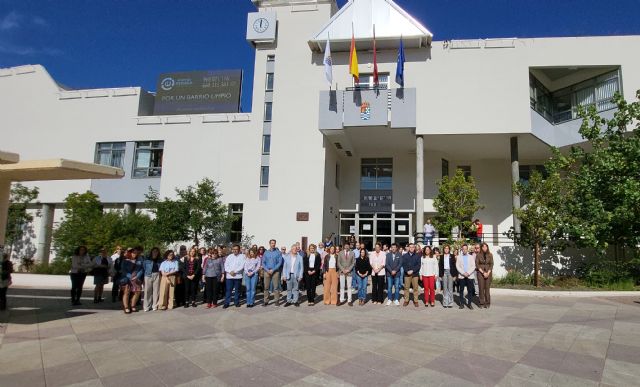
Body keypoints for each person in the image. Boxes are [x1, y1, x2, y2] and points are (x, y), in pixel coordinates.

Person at [120, 248, 144, 313]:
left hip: (136, 279)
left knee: (137, 292)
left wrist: (137, 276)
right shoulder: (125, 261)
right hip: (127, 278)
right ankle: (126, 307)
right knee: (126, 292)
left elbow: (141, 270)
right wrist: (130, 277)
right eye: (133, 252)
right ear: (129, 253)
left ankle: (133, 305)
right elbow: (123, 271)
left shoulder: (139, 261)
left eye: (136, 253)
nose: (134, 254)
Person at [223, 244, 246, 308]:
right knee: (228, 290)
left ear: (239, 250)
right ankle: (227, 303)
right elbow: (226, 265)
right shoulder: (229, 256)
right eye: (234, 249)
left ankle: (236, 302)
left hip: (238, 276)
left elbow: (242, 266)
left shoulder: (242, 256)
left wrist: (234, 271)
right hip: (229, 276)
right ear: (232, 250)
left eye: (236, 249)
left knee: (237, 290)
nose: (235, 250)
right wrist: (230, 271)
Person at [262, 239, 283, 307]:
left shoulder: (278, 252)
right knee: (266, 287)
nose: (273, 244)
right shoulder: (266, 253)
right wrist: (267, 270)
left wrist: (273, 270)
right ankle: (266, 301)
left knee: (276, 287)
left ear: (275, 244)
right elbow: (263, 262)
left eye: (274, 243)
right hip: (267, 271)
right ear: (269, 244)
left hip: (275, 271)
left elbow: (279, 263)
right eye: (272, 243)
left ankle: (276, 301)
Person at [456, 244, 476, 309]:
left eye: (465, 249)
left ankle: (469, 304)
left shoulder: (471, 257)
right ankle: (461, 304)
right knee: (461, 290)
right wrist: (463, 273)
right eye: (463, 249)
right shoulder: (459, 257)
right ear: (462, 249)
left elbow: (473, 266)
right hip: (462, 276)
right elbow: (457, 266)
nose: (464, 250)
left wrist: (468, 272)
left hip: (469, 276)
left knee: (470, 290)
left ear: (467, 249)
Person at [143, 247, 162, 311]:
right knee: (147, 291)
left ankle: (155, 305)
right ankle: (147, 306)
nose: (155, 253)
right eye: (154, 251)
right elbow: (144, 268)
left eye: (156, 251)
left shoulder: (160, 260)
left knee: (156, 291)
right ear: (151, 252)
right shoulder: (147, 259)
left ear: (158, 253)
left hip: (157, 275)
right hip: (148, 275)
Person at [401, 243, 421, 307]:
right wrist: (407, 271)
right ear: (408, 248)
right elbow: (403, 264)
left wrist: (413, 270)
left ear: (414, 248)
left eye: (413, 247)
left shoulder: (417, 256)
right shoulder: (404, 256)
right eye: (410, 247)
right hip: (407, 274)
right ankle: (406, 300)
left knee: (415, 288)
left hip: (415, 274)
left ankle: (416, 301)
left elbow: (418, 265)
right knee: (406, 288)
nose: (411, 248)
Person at [476, 243, 494, 308]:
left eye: (485, 247)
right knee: (481, 288)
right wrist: (483, 273)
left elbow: (491, 264)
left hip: (488, 273)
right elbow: (477, 265)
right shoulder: (478, 255)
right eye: (483, 247)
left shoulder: (490, 255)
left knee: (487, 289)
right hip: (480, 273)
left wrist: (488, 272)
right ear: (481, 248)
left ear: (487, 247)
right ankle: (481, 303)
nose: (484, 248)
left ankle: (487, 303)